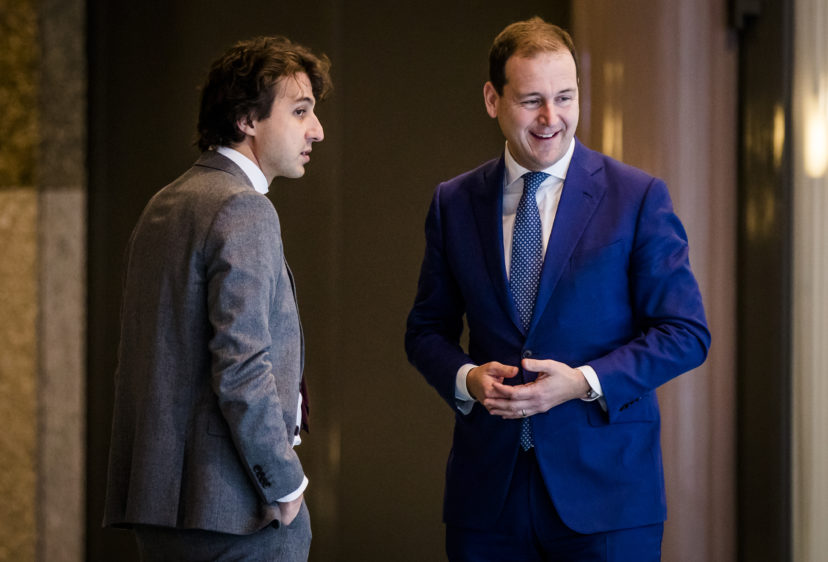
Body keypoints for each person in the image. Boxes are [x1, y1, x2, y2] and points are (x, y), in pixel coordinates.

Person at [405, 17, 710, 561]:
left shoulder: (637, 196)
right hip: (488, 500)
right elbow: (426, 330)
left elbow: (685, 332)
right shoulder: (454, 202)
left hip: (608, 500)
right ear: (493, 99)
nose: (552, 118)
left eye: (565, 98)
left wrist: (583, 383)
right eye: (532, 101)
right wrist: (467, 378)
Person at [103, 36, 331, 561]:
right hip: (239, 513)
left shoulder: (164, 203)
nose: (316, 130)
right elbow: (242, 365)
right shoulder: (243, 208)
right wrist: (286, 485)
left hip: (163, 512)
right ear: (247, 119)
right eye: (300, 111)